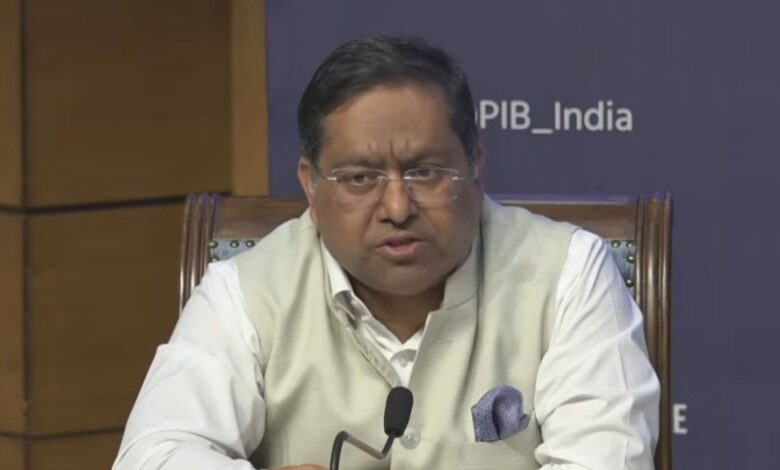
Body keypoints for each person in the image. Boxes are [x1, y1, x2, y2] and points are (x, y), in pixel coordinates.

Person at [113, 35, 659, 470]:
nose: (397, 206)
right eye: (360, 178)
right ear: (311, 186)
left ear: (475, 167)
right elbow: (154, 454)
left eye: (426, 172)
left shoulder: (568, 273)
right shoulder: (244, 292)